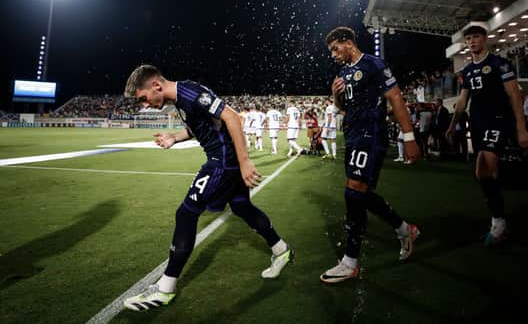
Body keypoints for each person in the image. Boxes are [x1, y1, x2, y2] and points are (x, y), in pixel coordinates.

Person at [121, 65, 292, 311]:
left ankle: (164, 290)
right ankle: (281, 250)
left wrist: (244, 161)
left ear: (156, 86)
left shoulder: (190, 93)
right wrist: (174, 138)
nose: (145, 105)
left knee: (186, 213)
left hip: (222, 162)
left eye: (144, 99)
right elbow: (198, 126)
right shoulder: (180, 99)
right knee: (242, 206)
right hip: (225, 160)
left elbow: (231, 116)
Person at [321, 27, 421, 283]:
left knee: (353, 192)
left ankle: (350, 262)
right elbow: (344, 107)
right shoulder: (343, 72)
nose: (333, 55)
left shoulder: (373, 64)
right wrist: (336, 94)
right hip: (353, 135)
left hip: (371, 135)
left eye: (335, 49)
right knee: (360, 193)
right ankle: (404, 229)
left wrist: (409, 137)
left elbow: (395, 97)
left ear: (348, 43)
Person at [446, 25, 528, 247]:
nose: (472, 41)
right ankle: (500, 220)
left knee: (483, 166)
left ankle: (499, 222)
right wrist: (452, 125)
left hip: (498, 120)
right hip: (477, 123)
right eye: (468, 39)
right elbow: (463, 102)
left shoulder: (499, 64)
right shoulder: (466, 71)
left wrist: (521, 128)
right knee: (487, 173)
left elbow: (515, 95)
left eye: (476, 37)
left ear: (485, 39)